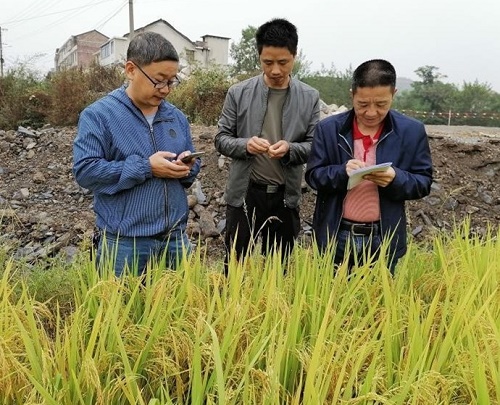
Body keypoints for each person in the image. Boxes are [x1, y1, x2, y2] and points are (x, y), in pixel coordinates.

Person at [73, 32, 201, 277]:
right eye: (159, 81)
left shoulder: (176, 117)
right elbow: (86, 171)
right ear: (131, 70)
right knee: (120, 303)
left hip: (175, 239)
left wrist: (187, 166)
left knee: (179, 302)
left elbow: (190, 174)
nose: (165, 90)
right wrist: (146, 167)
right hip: (124, 244)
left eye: (172, 81)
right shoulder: (99, 115)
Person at [305, 59, 433, 273]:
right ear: (352, 95)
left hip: (383, 238)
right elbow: (313, 176)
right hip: (336, 236)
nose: (371, 112)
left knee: (379, 295)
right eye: (363, 104)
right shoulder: (329, 129)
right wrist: (342, 172)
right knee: (330, 294)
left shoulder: (411, 131)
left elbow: (424, 182)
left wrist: (396, 178)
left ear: (393, 94)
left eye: (381, 104)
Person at [215, 18, 320, 272]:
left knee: (278, 270)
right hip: (245, 193)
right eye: (267, 62)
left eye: (283, 62)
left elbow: (315, 145)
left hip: (286, 196)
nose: (275, 70)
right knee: (235, 268)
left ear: (294, 56)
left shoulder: (309, 97)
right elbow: (221, 138)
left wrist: (291, 149)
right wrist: (245, 145)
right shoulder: (238, 93)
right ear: (259, 57)